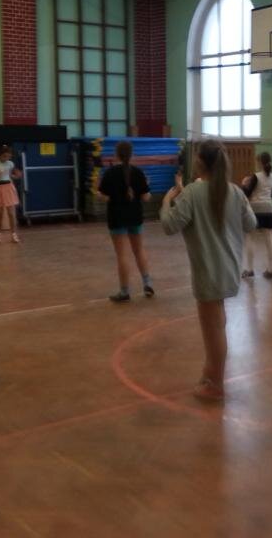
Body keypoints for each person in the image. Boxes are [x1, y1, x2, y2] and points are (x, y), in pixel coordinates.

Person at [160, 139, 257, 402]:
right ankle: (210, 372)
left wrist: (167, 200)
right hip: (229, 271)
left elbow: (169, 225)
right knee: (218, 324)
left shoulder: (193, 193)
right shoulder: (234, 191)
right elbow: (251, 223)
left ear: (201, 162)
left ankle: (215, 385)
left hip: (208, 273)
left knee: (213, 331)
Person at [98, 140, 154, 302]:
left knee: (122, 254)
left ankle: (124, 291)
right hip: (135, 216)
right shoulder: (138, 173)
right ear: (132, 154)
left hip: (117, 217)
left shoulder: (109, 173)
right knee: (139, 250)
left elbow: (104, 197)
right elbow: (146, 197)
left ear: (116, 155)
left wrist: (97, 192)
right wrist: (146, 186)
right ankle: (147, 283)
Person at [241, 152, 272, 280]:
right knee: (269, 239)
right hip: (268, 209)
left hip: (255, 209)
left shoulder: (255, 176)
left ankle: (250, 269)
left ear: (260, 162)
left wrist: (244, 183)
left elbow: (246, 193)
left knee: (250, 238)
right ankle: (271, 270)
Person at [0, 145, 21, 243]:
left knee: (11, 213)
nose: (6, 158)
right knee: (0, 214)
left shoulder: (10, 163)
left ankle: (14, 234)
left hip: (8, 187)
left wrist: (16, 176)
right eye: (5, 156)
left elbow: (11, 175)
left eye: (8, 157)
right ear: (0, 155)